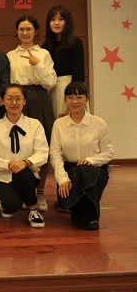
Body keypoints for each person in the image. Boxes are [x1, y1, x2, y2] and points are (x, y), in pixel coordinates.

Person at [7, 15, 57, 212]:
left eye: (29, 29)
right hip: (17, 100)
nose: (25, 33)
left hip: (39, 99)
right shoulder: (10, 55)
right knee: (18, 146)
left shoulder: (44, 54)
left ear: (35, 31)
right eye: (21, 29)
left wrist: (38, 64)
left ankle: (41, 193)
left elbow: (50, 82)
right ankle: (23, 193)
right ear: (16, 32)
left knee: (41, 146)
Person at [50, 81, 113, 230]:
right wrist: (62, 179)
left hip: (94, 170)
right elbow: (55, 154)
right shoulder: (58, 124)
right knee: (74, 182)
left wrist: (90, 160)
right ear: (65, 100)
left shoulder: (98, 123)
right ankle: (78, 211)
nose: (75, 101)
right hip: (69, 170)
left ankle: (91, 216)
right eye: (70, 97)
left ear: (87, 99)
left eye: (79, 97)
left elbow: (109, 153)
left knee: (84, 171)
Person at [0, 84, 49, 228]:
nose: (14, 103)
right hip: (2, 176)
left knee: (22, 173)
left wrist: (25, 162)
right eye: (9, 99)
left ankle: (33, 210)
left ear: (24, 101)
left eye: (18, 99)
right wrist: (10, 164)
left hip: (28, 175)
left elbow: (43, 153)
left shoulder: (35, 125)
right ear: (3, 101)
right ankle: (6, 198)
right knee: (11, 205)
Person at [42, 5, 85, 119]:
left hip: (71, 87)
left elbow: (78, 74)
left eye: (61, 19)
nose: (56, 23)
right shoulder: (46, 45)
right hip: (52, 90)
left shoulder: (75, 43)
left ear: (67, 22)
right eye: (53, 19)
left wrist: (73, 98)